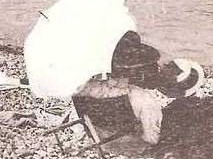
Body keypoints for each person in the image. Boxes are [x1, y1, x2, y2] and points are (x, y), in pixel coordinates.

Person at [74, 31, 204, 144]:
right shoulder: (146, 102)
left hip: (89, 116)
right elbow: (151, 139)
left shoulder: (90, 85)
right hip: (111, 138)